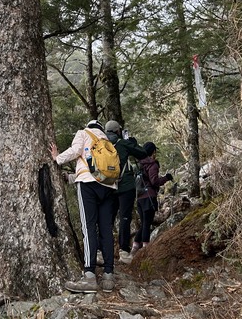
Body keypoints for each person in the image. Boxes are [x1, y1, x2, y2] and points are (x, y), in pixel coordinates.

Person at [51, 120, 117, 293]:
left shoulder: (84, 133)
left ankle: (89, 276)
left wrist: (57, 158)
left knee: (88, 229)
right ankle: (109, 276)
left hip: (88, 185)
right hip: (109, 185)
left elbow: (75, 151)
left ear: (89, 126)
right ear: (101, 128)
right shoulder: (107, 141)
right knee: (106, 230)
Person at [103, 120, 148, 264]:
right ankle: (123, 251)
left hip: (108, 185)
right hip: (126, 186)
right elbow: (142, 153)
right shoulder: (123, 143)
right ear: (118, 131)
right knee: (124, 218)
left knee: (107, 219)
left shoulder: (102, 144)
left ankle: (101, 251)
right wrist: (132, 142)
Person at [132, 141, 173, 255]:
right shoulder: (152, 164)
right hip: (149, 196)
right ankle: (146, 249)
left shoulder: (140, 164)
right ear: (153, 152)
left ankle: (135, 247)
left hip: (139, 197)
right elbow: (154, 181)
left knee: (144, 223)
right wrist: (166, 178)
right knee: (147, 223)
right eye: (155, 151)